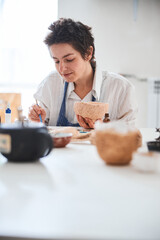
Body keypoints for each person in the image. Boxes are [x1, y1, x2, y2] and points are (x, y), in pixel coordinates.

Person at [28, 18, 137, 128]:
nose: (62, 69)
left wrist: (105, 130)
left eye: (69, 59)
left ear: (88, 53)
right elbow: (39, 131)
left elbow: (130, 137)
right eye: (56, 61)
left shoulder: (121, 89)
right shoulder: (49, 84)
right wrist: (36, 121)